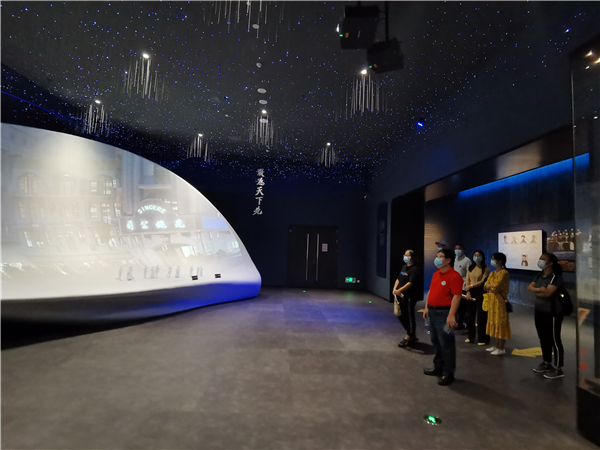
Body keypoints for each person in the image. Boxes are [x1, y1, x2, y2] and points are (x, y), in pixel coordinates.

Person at [422, 248, 463, 386]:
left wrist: (451, 315)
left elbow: (457, 296)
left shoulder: (455, 276)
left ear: (448, 260)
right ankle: (438, 367)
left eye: (440, 256)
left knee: (447, 343)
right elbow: (431, 291)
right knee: (436, 341)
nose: (437, 259)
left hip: (444, 313)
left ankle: (448, 372)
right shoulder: (436, 274)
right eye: (437, 256)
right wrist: (427, 307)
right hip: (432, 312)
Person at [527, 252, 565, 379]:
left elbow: (548, 292)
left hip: (552, 312)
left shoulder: (555, 276)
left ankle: (558, 368)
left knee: (554, 339)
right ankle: (546, 362)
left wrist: (538, 290)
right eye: (540, 258)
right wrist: (540, 290)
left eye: (543, 259)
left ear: (550, 263)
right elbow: (530, 287)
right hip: (539, 310)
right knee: (543, 337)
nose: (540, 260)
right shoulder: (539, 275)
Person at [393, 249, 422, 348]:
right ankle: (410, 333)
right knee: (400, 314)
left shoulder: (415, 269)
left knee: (409, 315)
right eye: (405, 255)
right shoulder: (404, 267)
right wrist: (395, 289)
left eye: (407, 255)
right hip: (401, 295)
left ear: (412, 257)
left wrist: (399, 290)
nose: (405, 257)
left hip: (410, 296)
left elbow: (410, 283)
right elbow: (399, 278)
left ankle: (410, 335)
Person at [484, 252, 511, 355]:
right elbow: (485, 285)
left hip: (500, 301)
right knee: (494, 322)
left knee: (500, 323)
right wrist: (490, 285)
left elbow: (497, 287)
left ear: (499, 261)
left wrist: (490, 286)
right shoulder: (492, 273)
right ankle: (496, 345)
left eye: (493, 259)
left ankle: (501, 347)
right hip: (492, 301)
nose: (492, 261)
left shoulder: (504, 273)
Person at [465, 250, 490, 345]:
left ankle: (482, 338)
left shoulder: (485, 268)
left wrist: (471, 286)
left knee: (481, 316)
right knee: (470, 315)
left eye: (478, 255)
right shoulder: (470, 268)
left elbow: (482, 281)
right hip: (471, 292)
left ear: (482, 257)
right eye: (475, 255)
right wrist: (468, 291)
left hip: (481, 291)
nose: (476, 257)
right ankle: (471, 336)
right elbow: (467, 279)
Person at [454, 244, 471, 332]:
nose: (457, 250)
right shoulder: (455, 259)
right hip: (456, 287)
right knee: (457, 307)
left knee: (463, 308)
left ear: (463, 250)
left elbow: (469, 275)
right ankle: (459, 323)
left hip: (463, 287)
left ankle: (466, 325)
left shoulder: (467, 260)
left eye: (459, 249)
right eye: (456, 248)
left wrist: (468, 289)